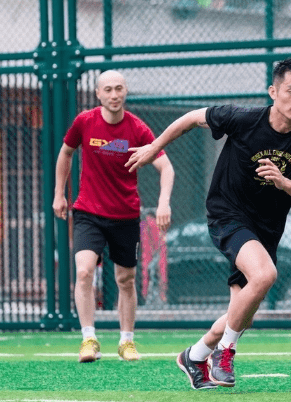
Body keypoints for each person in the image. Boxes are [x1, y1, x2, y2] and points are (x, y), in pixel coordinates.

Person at [126, 57, 291, 389]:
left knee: (243, 313)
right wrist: (155, 147)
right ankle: (224, 353)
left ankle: (194, 355)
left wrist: (284, 182)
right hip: (228, 214)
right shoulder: (243, 118)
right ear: (273, 92)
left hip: (268, 227)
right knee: (265, 275)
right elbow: (191, 118)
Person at [53, 70, 175, 363]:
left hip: (125, 215)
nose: (114, 94)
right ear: (98, 94)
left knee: (125, 280)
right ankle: (88, 339)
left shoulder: (138, 128)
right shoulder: (85, 122)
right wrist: (59, 194)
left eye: (119, 88)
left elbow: (166, 167)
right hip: (88, 212)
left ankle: (126, 341)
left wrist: (163, 203)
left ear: (126, 91)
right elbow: (66, 152)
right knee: (84, 272)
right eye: (107, 89)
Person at [140, 212, 168, 303]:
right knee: (160, 267)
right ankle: (161, 294)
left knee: (148, 265)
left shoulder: (145, 224)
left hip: (150, 221)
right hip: (157, 220)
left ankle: (146, 294)